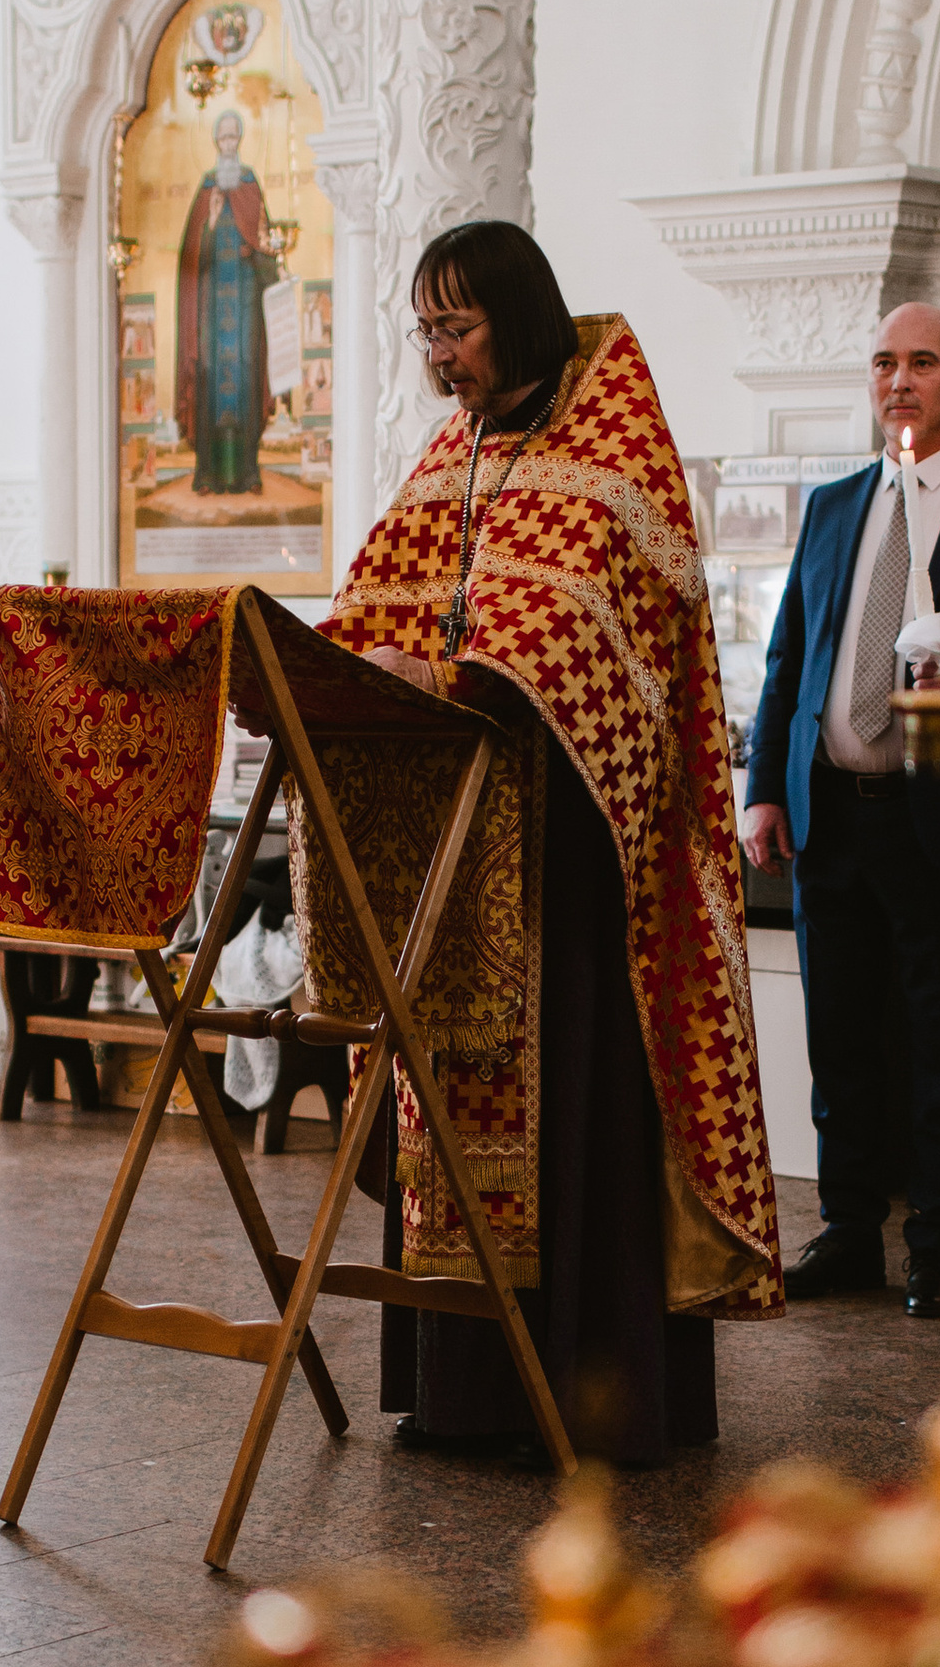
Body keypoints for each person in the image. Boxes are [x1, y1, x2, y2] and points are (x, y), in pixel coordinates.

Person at [323, 221, 782, 1464]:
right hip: (458, 849)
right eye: (423, 330)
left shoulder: (610, 435)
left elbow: (581, 623)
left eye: (455, 328)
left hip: (571, 855)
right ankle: (465, 1391)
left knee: (570, 1104)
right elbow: (381, 592)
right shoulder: (455, 451)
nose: (438, 357)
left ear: (517, 316)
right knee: (447, 1101)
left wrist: (463, 667)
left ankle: (583, 1394)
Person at [744, 305, 940, 1317]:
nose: (898, 379)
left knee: (937, 1031)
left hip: (939, 810)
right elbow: (790, 651)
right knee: (837, 1030)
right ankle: (847, 1228)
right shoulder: (835, 504)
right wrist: (762, 787)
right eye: (882, 361)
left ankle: (934, 1239)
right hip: (828, 807)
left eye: (920, 362)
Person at [175, 108, 279, 497]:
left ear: (242, 140)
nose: (230, 144)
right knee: (208, 381)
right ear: (216, 142)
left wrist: (265, 256)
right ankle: (208, 473)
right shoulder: (207, 189)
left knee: (248, 376)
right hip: (212, 314)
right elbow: (191, 258)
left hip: (247, 307)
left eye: (235, 137)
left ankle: (248, 472)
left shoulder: (250, 183)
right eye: (224, 138)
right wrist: (212, 219)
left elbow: (264, 243)